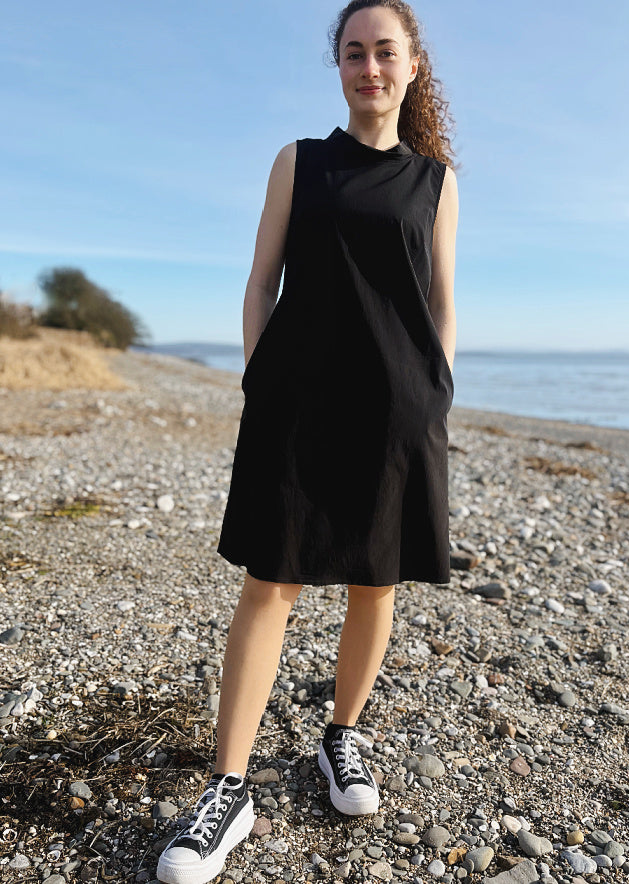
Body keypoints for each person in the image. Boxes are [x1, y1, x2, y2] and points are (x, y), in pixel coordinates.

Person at [156, 1, 458, 881]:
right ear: (340, 66)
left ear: (411, 65)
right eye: (354, 52)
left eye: (385, 52)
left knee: (376, 579)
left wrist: (435, 392)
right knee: (272, 580)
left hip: (398, 409)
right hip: (297, 405)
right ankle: (229, 788)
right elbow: (260, 281)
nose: (370, 67)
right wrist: (262, 380)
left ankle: (342, 737)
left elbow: (440, 304)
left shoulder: (435, 182)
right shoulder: (300, 162)